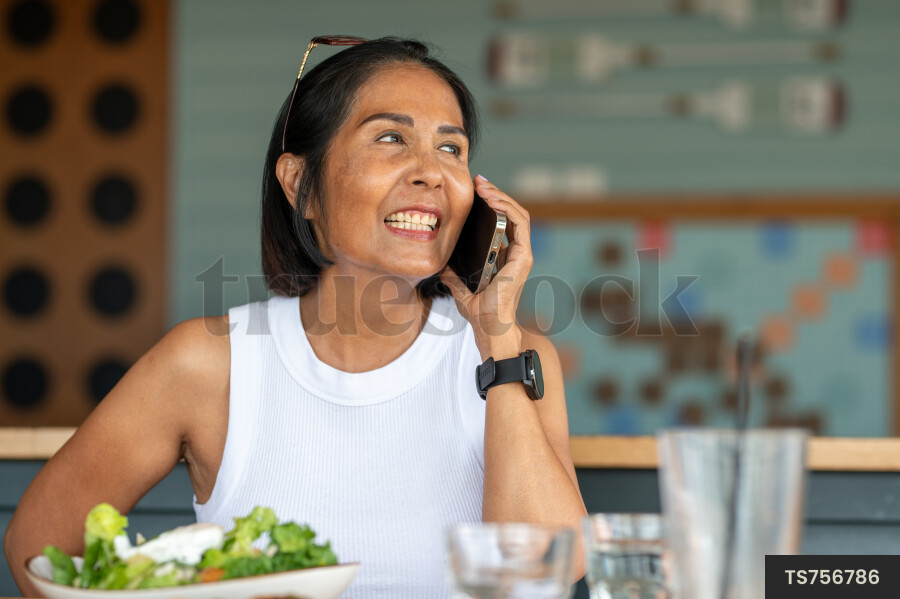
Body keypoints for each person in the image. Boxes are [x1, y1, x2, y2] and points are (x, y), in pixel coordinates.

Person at [5, 37, 587, 598]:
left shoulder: (514, 355)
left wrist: (496, 337)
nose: (430, 172)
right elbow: (40, 546)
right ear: (300, 185)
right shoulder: (207, 363)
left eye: (451, 148)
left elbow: (545, 573)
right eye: (391, 138)